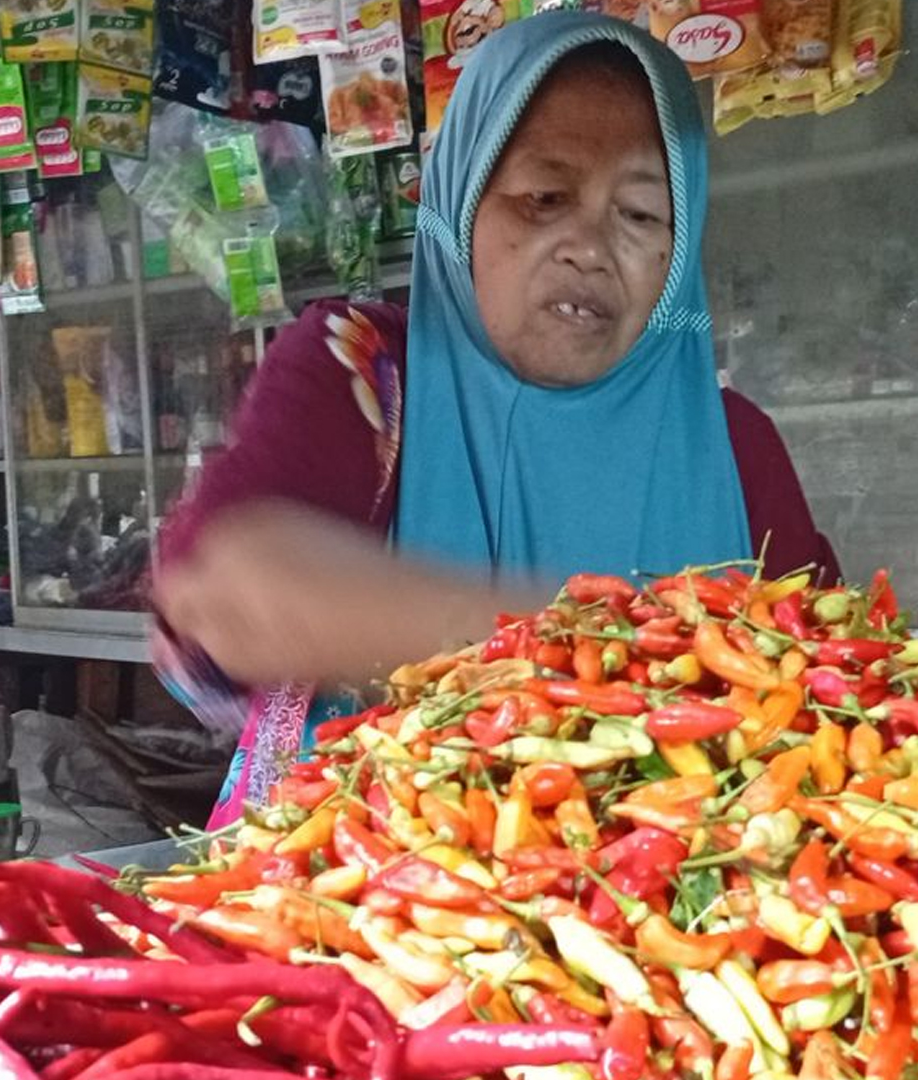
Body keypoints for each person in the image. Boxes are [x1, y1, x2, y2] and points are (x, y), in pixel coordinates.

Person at [153, 12, 838, 827]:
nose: (589, 246)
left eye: (642, 215)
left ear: (680, 249)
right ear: (462, 204)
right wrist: (601, 648)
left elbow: (833, 702)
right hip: (361, 921)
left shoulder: (735, 450)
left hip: (679, 935)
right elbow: (228, 588)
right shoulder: (365, 369)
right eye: (543, 197)